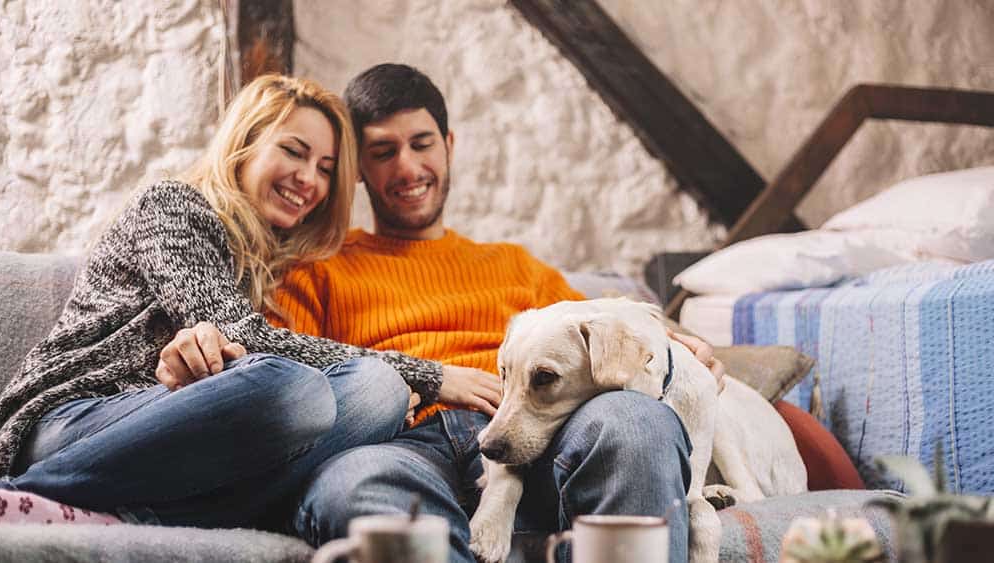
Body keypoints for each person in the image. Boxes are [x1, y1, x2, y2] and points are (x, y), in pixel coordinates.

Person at [161, 64, 724, 562]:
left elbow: (605, 335)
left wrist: (680, 347)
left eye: (421, 143)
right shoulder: (314, 271)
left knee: (637, 422)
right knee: (355, 484)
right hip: (399, 448)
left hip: (537, 442)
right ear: (358, 170)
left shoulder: (517, 267)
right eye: (383, 152)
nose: (407, 167)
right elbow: (285, 382)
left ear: (448, 145)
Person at [0, 73, 462, 531]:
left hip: (173, 441)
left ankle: (138, 515)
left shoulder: (270, 266)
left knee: (378, 392)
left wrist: (395, 386)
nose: (309, 179)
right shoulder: (173, 205)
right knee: (294, 387)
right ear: (245, 143)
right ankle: (25, 493)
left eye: (325, 168)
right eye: (293, 151)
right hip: (70, 421)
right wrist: (429, 375)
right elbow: (244, 338)